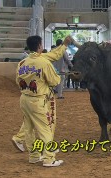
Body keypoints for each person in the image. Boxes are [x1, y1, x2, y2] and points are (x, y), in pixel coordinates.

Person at [15, 35, 72, 167]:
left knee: (29, 128)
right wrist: (56, 77)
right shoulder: (43, 62)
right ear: (40, 46)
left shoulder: (22, 63)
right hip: (38, 100)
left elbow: (17, 80)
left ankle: (34, 156)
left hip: (24, 98)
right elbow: (54, 81)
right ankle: (49, 159)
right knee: (45, 129)